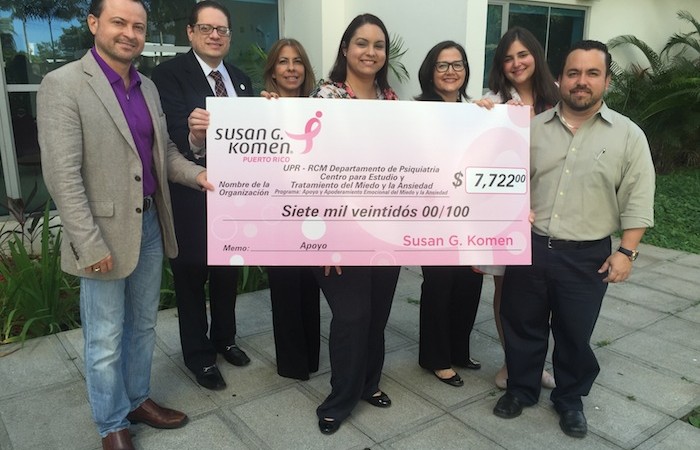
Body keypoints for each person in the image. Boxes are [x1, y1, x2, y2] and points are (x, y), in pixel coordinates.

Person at [37, 0, 214, 448]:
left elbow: (164, 153)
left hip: (150, 223)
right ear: (93, 23)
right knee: (104, 337)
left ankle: (137, 399)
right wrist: (88, 243)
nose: (130, 33)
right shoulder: (63, 85)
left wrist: (198, 176)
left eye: (138, 26)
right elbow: (62, 176)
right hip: (101, 233)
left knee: (143, 325)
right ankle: (111, 423)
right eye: (119, 22)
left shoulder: (146, 87)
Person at [492, 40, 655, 439]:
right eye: (573, 73)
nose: (581, 81)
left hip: (587, 256)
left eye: (592, 73)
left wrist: (627, 252)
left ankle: (569, 399)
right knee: (522, 324)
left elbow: (638, 196)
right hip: (531, 246)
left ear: (607, 81)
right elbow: (504, 180)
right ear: (561, 79)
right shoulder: (531, 130)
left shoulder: (628, 136)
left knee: (575, 333)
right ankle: (521, 389)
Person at [150, 0, 252, 392]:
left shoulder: (241, 80)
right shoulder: (168, 75)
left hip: (235, 194)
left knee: (227, 272)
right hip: (191, 192)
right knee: (192, 276)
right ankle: (199, 355)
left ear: (229, 36)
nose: (214, 35)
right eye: (206, 28)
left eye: (221, 29)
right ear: (190, 32)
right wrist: (195, 136)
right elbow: (172, 138)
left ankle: (225, 338)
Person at [309, 13, 400, 435]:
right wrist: (325, 239)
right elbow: (310, 172)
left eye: (378, 45)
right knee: (351, 315)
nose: (370, 52)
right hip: (338, 229)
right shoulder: (324, 98)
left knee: (376, 314)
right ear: (345, 49)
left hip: (384, 228)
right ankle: (340, 398)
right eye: (361, 43)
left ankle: (368, 383)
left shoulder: (392, 101)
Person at [475, 26, 559, 390]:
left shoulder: (557, 98)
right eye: (508, 58)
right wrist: (481, 116)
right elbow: (476, 154)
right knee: (507, 293)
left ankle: (534, 364)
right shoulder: (491, 101)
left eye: (523, 54)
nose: (516, 63)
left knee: (543, 294)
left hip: (551, 209)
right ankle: (513, 362)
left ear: (535, 56)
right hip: (506, 215)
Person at [414, 41, 483, 388]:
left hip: (470, 214)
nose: (451, 71)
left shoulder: (476, 112)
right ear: (430, 71)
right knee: (440, 285)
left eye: (458, 64)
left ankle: (458, 349)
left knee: (470, 283)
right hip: (432, 215)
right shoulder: (416, 112)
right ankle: (436, 358)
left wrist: (491, 116)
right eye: (442, 65)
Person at [260, 38, 322, 381]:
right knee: (284, 286)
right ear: (273, 70)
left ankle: (311, 357)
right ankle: (292, 364)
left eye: (297, 61)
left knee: (309, 286)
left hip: (313, 210)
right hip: (276, 211)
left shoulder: (320, 109)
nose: (291, 68)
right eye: (283, 62)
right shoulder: (260, 109)